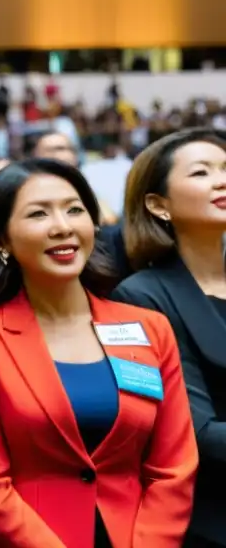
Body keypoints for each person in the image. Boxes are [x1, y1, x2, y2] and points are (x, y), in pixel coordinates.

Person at [0, 158, 197, 548]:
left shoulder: (149, 328)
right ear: (2, 240)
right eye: (38, 213)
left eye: (74, 209)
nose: (62, 226)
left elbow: (174, 465)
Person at [112, 129, 226, 546]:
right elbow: (188, 429)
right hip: (205, 516)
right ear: (159, 205)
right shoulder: (139, 296)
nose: (222, 180)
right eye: (202, 172)